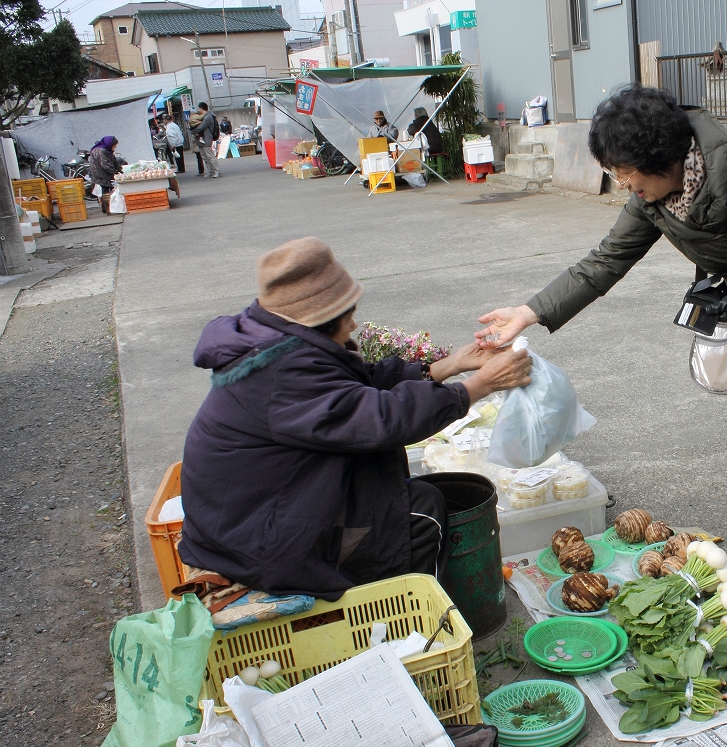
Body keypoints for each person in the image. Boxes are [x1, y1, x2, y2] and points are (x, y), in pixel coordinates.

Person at [476, 87, 727, 602]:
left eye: (627, 171)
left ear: (664, 158)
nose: (622, 183)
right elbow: (605, 261)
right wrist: (530, 312)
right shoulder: (653, 198)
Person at [178, 237, 532, 599]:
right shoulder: (282, 373)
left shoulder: (275, 343)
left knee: (411, 491)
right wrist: (477, 386)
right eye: (348, 315)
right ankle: (412, 620)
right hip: (257, 543)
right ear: (322, 323)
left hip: (251, 519)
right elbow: (382, 418)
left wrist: (451, 365)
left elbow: (357, 387)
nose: (353, 325)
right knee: (422, 512)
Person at [87, 136, 124, 214]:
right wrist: (115, 172)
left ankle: (108, 207)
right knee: (106, 189)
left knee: (106, 189)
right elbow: (106, 164)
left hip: (103, 173)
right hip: (100, 174)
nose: (115, 147)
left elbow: (114, 162)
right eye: (114, 145)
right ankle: (107, 208)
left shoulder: (107, 150)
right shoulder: (101, 151)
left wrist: (120, 169)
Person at [190, 102, 220, 178]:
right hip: (200, 139)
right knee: (204, 157)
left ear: (201, 108)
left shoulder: (208, 117)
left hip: (206, 138)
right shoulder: (202, 117)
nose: (198, 110)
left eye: (199, 108)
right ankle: (210, 171)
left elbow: (202, 127)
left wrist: (193, 131)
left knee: (210, 156)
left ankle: (217, 170)